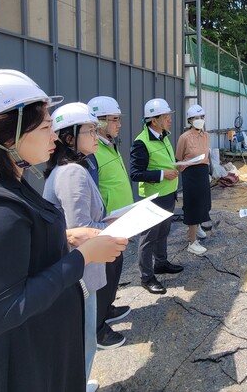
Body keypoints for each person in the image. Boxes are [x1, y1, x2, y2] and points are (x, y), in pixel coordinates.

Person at [0, 70, 127, 392]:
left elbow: (17, 246)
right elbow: (0, 310)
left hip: (34, 353)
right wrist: (82, 257)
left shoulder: (8, 184)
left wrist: (67, 237)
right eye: (46, 127)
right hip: (10, 370)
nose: (55, 137)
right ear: (8, 135)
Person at [42, 102, 122, 392]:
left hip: (78, 270)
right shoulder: (73, 173)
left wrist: (111, 219)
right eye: (90, 130)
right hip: (80, 274)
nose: (96, 135)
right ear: (69, 137)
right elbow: (81, 231)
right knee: (83, 339)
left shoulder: (73, 168)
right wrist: (118, 225)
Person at [87, 96, 133, 347]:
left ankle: (107, 308)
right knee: (103, 275)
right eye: (114, 119)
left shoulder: (109, 146)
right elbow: (93, 193)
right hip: (107, 225)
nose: (119, 124)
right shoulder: (94, 153)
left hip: (120, 222)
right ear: (100, 122)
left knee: (115, 270)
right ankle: (97, 329)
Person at [129, 98, 183, 294]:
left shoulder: (163, 136)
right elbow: (135, 173)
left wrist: (177, 164)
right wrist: (162, 174)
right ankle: (146, 277)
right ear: (154, 120)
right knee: (148, 238)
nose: (170, 120)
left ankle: (161, 263)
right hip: (153, 198)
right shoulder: (141, 142)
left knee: (163, 233)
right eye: (166, 116)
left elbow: (165, 160)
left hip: (168, 194)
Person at [175, 104, 211, 256]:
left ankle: (197, 227)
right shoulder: (184, 137)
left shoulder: (206, 135)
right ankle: (192, 242)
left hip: (203, 171)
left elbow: (206, 155)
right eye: (196, 118)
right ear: (189, 120)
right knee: (192, 206)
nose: (199, 120)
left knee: (204, 203)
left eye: (202, 117)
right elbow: (178, 157)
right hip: (190, 173)